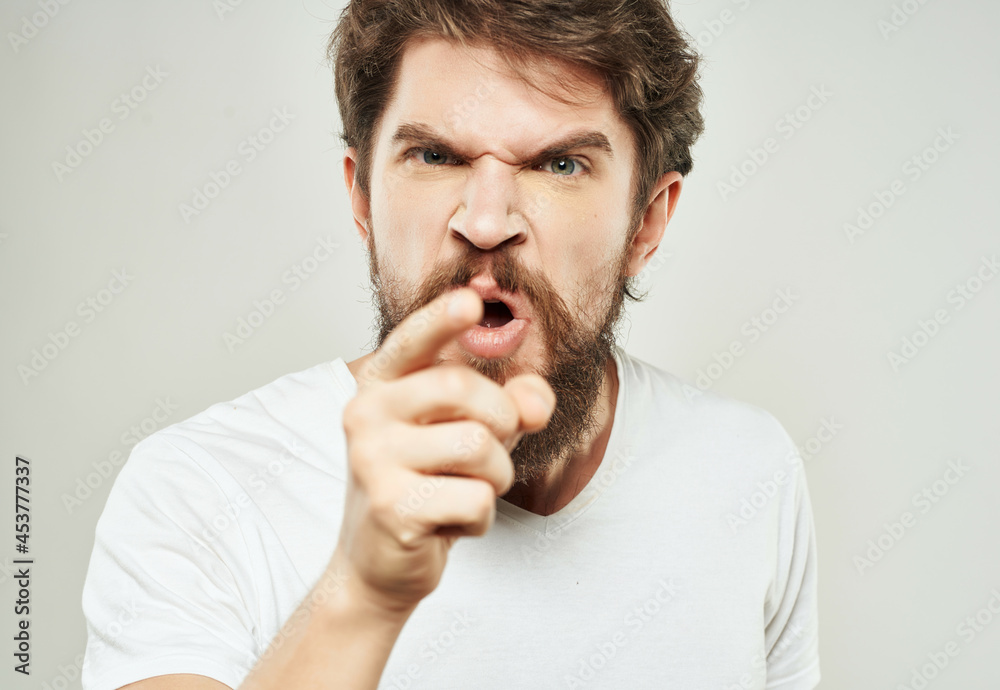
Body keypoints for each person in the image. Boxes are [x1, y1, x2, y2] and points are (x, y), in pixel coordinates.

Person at [81, 1, 821, 688]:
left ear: (647, 223)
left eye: (559, 164)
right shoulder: (197, 492)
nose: (488, 220)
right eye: (436, 157)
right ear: (362, 199)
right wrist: (362, 594)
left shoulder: (750, 473)